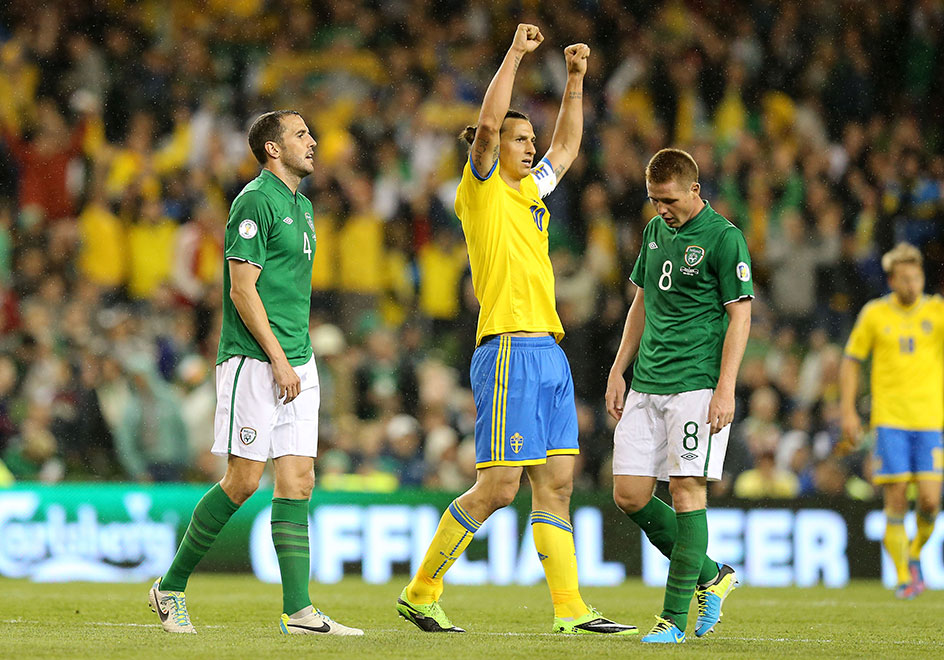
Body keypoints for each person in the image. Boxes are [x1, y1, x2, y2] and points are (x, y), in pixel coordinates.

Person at [395, 24, 635, 636]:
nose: (531, 147)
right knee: (500, 487)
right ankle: (421, 592)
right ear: (494, 145)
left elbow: (570, 147)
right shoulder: (480, 190)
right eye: (520, 138)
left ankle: (570, 609)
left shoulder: (532, 190)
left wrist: (576, 80)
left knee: (557, 486)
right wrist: (516, 54)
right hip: (506, 348)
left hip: (549, 350)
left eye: (531, 139)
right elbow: (487, 122)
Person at [148, 110, 362, 636]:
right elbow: (242, 291)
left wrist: (295, 358)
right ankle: (169, 587)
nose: (313, 141)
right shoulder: (253, 201)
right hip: (254, 360)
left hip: (298, 359)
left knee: (299, 481)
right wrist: (279, 360)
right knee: (243, 481)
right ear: (272, 148)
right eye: (301, 134)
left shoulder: (303, 207)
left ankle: (299, 611)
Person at [605, 148, 753, 643]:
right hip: (647, 382)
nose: (660, 208)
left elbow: (740, 316)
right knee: (629, 495)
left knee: (687, 490)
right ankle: (713, 575)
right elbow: (642, 303)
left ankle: (672, 620)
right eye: (653, 199)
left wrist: (725, 388)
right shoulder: (654, 232)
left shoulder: (724, 238)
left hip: (696, 384)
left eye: (668, 199)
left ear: (694, 189)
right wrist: (619, 369)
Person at [839, 242, 944, 599]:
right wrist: (848, 411)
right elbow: (851, 361)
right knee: (896, 501)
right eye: (904, 278)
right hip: (890, 422)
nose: (912, 284)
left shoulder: (937, 311)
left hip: (930, 421)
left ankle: (913, 554)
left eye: (916, 277)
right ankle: (904, 577)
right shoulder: (875, 314)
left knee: (930, 502)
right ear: (891, 281)